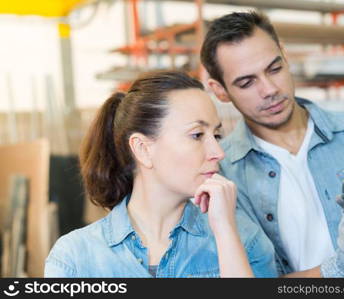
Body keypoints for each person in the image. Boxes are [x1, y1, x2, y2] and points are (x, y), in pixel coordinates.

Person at [200, 11, 344, 277]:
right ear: (220, 90)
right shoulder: (223, 173)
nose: (269, 89)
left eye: (275, 69)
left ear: (285, 56)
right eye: (247, 82)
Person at [44, 70, 277, 278]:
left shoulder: (245, 239)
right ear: (143, 149)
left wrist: (226, 232)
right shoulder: (74, 258)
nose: (218, 152)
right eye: (197, 135)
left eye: (216, 135)